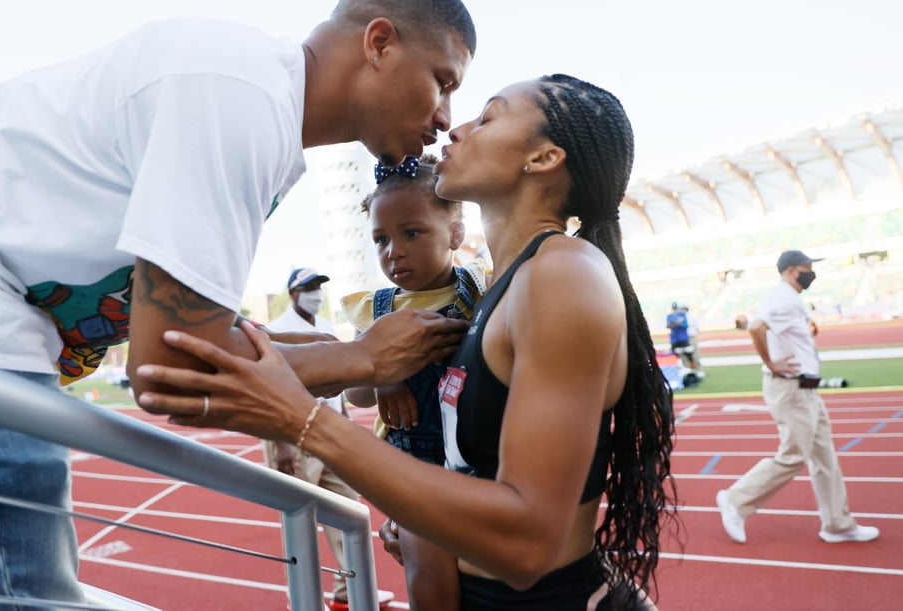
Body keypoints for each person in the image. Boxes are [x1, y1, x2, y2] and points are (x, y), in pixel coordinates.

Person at [0, 0, 474, 609]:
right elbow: (169, 369)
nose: (445, 117)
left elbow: (201, 330)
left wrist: (346, 351)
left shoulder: (256, 105)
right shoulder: (237, 96)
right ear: (379, 42)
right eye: (443, 82)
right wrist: (364, 357)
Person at [136, 74, 679, 609]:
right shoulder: (500, 285)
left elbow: (527, 542)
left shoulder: (562, 273)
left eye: (487, 116)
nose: (457, 129)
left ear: (541, 159)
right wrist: (429, 517)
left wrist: (301, 419)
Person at [340, 154, 487, 610]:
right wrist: (379, 372)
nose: (394, 251)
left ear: (455, 235)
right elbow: (354, 392)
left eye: (412, 233)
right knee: (428, 575)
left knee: (478, 572)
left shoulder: (478, 290)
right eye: (381, 239)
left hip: (475, 455)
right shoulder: (376, 309)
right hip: (409, 462)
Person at [715, 250, 879, 545]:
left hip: (806, 390)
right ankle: (736, 500)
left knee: (824, 458)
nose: (811, 272)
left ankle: (837, 524)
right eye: (807, 267)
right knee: (793, 456)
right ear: (791, 270)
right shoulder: (782, 297)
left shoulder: (790, 299)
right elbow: (755, 327)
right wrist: (770, 362)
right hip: (790, 389)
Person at [262, 268, 395, 610]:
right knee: (298, 518)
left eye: (319, 287)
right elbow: (269, 388)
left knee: (348, 507)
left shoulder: (322, 324)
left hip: (328, 425)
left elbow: (336, 383)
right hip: (294, 431)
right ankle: (301, 597)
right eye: (308, 288)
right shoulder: (277, 328)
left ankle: (345, 589)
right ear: (293, 293)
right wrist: (281, 443)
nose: (316, 293)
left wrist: (347, 422)